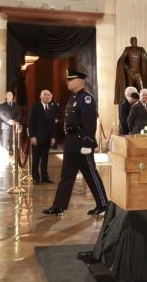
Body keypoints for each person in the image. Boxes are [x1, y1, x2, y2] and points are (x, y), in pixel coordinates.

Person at [42, 68, 109, 216]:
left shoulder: (86, 98)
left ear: (79, 81)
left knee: (90, 174)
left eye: (70, 80)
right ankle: (58, 206)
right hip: (71, 142)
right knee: (66, 175)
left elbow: (90, 122)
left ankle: (103, 204)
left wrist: (87, 143)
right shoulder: (73, 98)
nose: (67, 82)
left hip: (81, 143)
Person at [27, 88, 60, 183]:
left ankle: (45, 178)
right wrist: (32, 136)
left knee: (45, 159)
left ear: (51, 97)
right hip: (37, 138)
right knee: (36, 159)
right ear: (40, 96)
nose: (46, 96)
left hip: (47, 138)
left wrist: (53, 137)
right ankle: (36, 178)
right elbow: (30, 123)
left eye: (48, 95)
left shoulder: (51, 108)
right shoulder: (35, 107)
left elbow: (52, 124)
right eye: (44, 94)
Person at [114, 37, 147, 103]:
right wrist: (127, 68)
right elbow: (121, 60)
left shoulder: (141, 50)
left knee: (141, 88)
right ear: (131, 42)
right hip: (130, 73)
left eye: (135, 41)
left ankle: (142, 102)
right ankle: (130, 103)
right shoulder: (127, 50)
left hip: (138, 72)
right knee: (131, 90)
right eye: (133, 41)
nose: (134, 42)